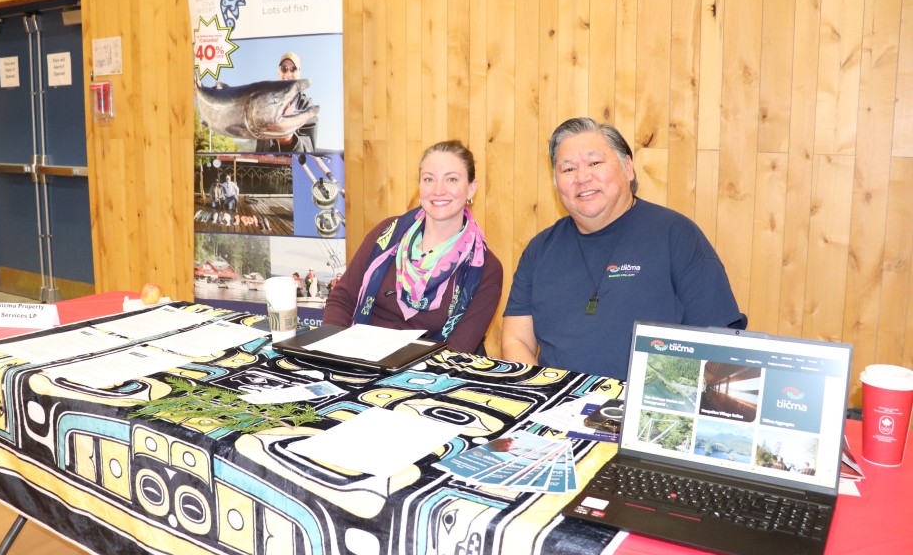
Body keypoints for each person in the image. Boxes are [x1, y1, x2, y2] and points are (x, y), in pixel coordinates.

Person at [502, 117, 746, 378]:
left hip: (648, 399)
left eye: (595, 163)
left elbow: (718, 347)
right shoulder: (540, 249)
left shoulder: (677, 236)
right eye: (568, 169)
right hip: (555, 397)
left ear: (628, 168)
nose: (582, 177)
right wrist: (544, 389)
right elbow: (517, 340)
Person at [324, 140, 503, 354]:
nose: (438, 190)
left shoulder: (486, 269)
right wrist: (334, 352)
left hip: (429, 370)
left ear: (471, 189)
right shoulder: (386, 234)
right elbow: (342, 299)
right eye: (429, 179)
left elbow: (457, 350)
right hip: (357, 359)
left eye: (451, 179)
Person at [253, 52, 318, 152]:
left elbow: (308, 151)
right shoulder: (265, 102)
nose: (288, 74)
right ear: (278, 72)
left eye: (293, 69)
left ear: (299, 73)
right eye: (284, 69)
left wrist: (288, 139)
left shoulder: (307, 106)